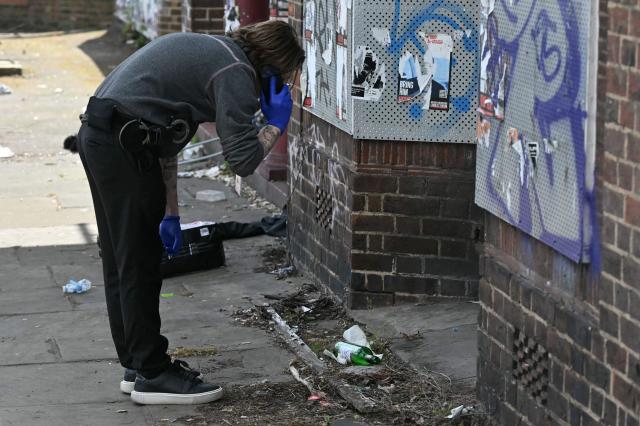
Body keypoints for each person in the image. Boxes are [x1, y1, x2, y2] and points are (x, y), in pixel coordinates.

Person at [76, 20, 304, 405]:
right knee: (139, 263)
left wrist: (172, 213)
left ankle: (137, 362)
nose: (283, 84)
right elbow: (243, 160)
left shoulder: (214, 50)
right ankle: (152, 373)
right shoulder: (236, 73)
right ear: (271, 67)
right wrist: (276, 123)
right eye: (284, 76)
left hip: (105, 138)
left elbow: (165, 140)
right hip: (124, 147)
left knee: (122, 259)